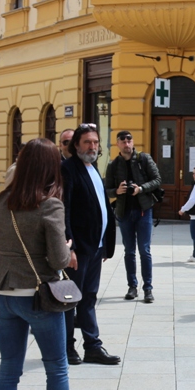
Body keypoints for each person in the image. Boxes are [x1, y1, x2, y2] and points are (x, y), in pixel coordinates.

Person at [0, 138, 86, 390]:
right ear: (49, 167)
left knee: (8, 369)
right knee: (56, 367)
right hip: (38, 295)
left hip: (4, 293)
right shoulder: (50, 204)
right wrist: (68, 248)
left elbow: (1, 246)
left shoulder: (2, 201)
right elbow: (59, 258)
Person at [61, 124, 120, 366]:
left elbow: (102, 206)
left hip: (95, 247)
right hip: (79, 248)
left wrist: (105, 244)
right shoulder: (67, 169)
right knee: (69, 299)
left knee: (89, 297)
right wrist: (69, 247)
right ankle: (67, 347)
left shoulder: (94, 167)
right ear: (76, 145)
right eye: (87, 142)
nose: (92, 147)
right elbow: (63, 209)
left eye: (95, 142)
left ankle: (92, 346)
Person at [104, 130, 162, 303]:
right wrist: (117, 191)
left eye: (129, 140)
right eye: (123, 141)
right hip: (124, 213)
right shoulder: (113, 165)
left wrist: (141, 189)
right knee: (129, 251)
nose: (126, 143)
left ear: (132, 142)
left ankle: (148, 289)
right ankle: (132, 287)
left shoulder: (144, 159)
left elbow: (157, 179)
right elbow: (106, 190)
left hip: (144, 211)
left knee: (144, 250)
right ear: (118, 144)